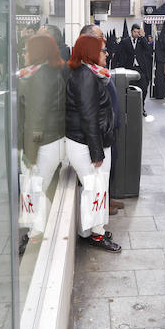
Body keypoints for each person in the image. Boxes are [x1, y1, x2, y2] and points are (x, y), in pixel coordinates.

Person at [66, 34, 121, 251]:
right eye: (101, 50)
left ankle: (89, 230)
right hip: (86, 144)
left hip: (88, 142)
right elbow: (88, 116)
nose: (106, 54)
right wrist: (97, 152)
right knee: (96, 188)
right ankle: (96, 235)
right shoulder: (85, 77)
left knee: (94, 188)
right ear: (90, 53)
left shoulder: (88, 73)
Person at [18, 34, 66, 235]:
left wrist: (30, 153)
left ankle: (35, 237)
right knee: (38, 189)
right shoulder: (50, 72)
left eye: (27, 50)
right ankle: (39, 232)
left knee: (35, 189)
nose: (24, 54)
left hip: (43, 143)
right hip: (52, 140)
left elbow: (36, 119)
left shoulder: (40, 77)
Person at [80, 24, 124, 213]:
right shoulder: (86, 72)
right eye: (101, 45)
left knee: (110, 167)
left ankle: (107, 197)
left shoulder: (98, 70)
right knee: (99, 171)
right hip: (100, 129)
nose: (106, 51)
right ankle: (102, 206)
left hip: (109, 126)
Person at [114, 23, 152, 116]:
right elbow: (120, 54)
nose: (136, 34)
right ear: (131, 32)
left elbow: (148, 50)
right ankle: (128, 108)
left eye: (138, 32)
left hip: (140, 68)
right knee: (129, 88)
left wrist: (143, 37)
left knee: (143, 88)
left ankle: (141, 107)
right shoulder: (125, 41)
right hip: (129, 68)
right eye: (135, 32)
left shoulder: (142, 41)